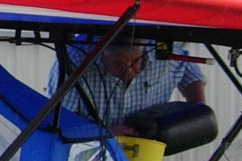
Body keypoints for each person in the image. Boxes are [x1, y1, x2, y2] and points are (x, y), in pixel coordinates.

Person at [59, 39, 205, 130]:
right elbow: (60, 119)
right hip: (88, 156)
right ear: (103, 54)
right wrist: (104, 134)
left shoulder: (164, 56)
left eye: (134, 62)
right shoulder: (74, 62)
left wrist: (198, 110)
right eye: (118, 64)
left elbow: (189, 69)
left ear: (143, 52)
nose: (128, 70)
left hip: (143, 156)